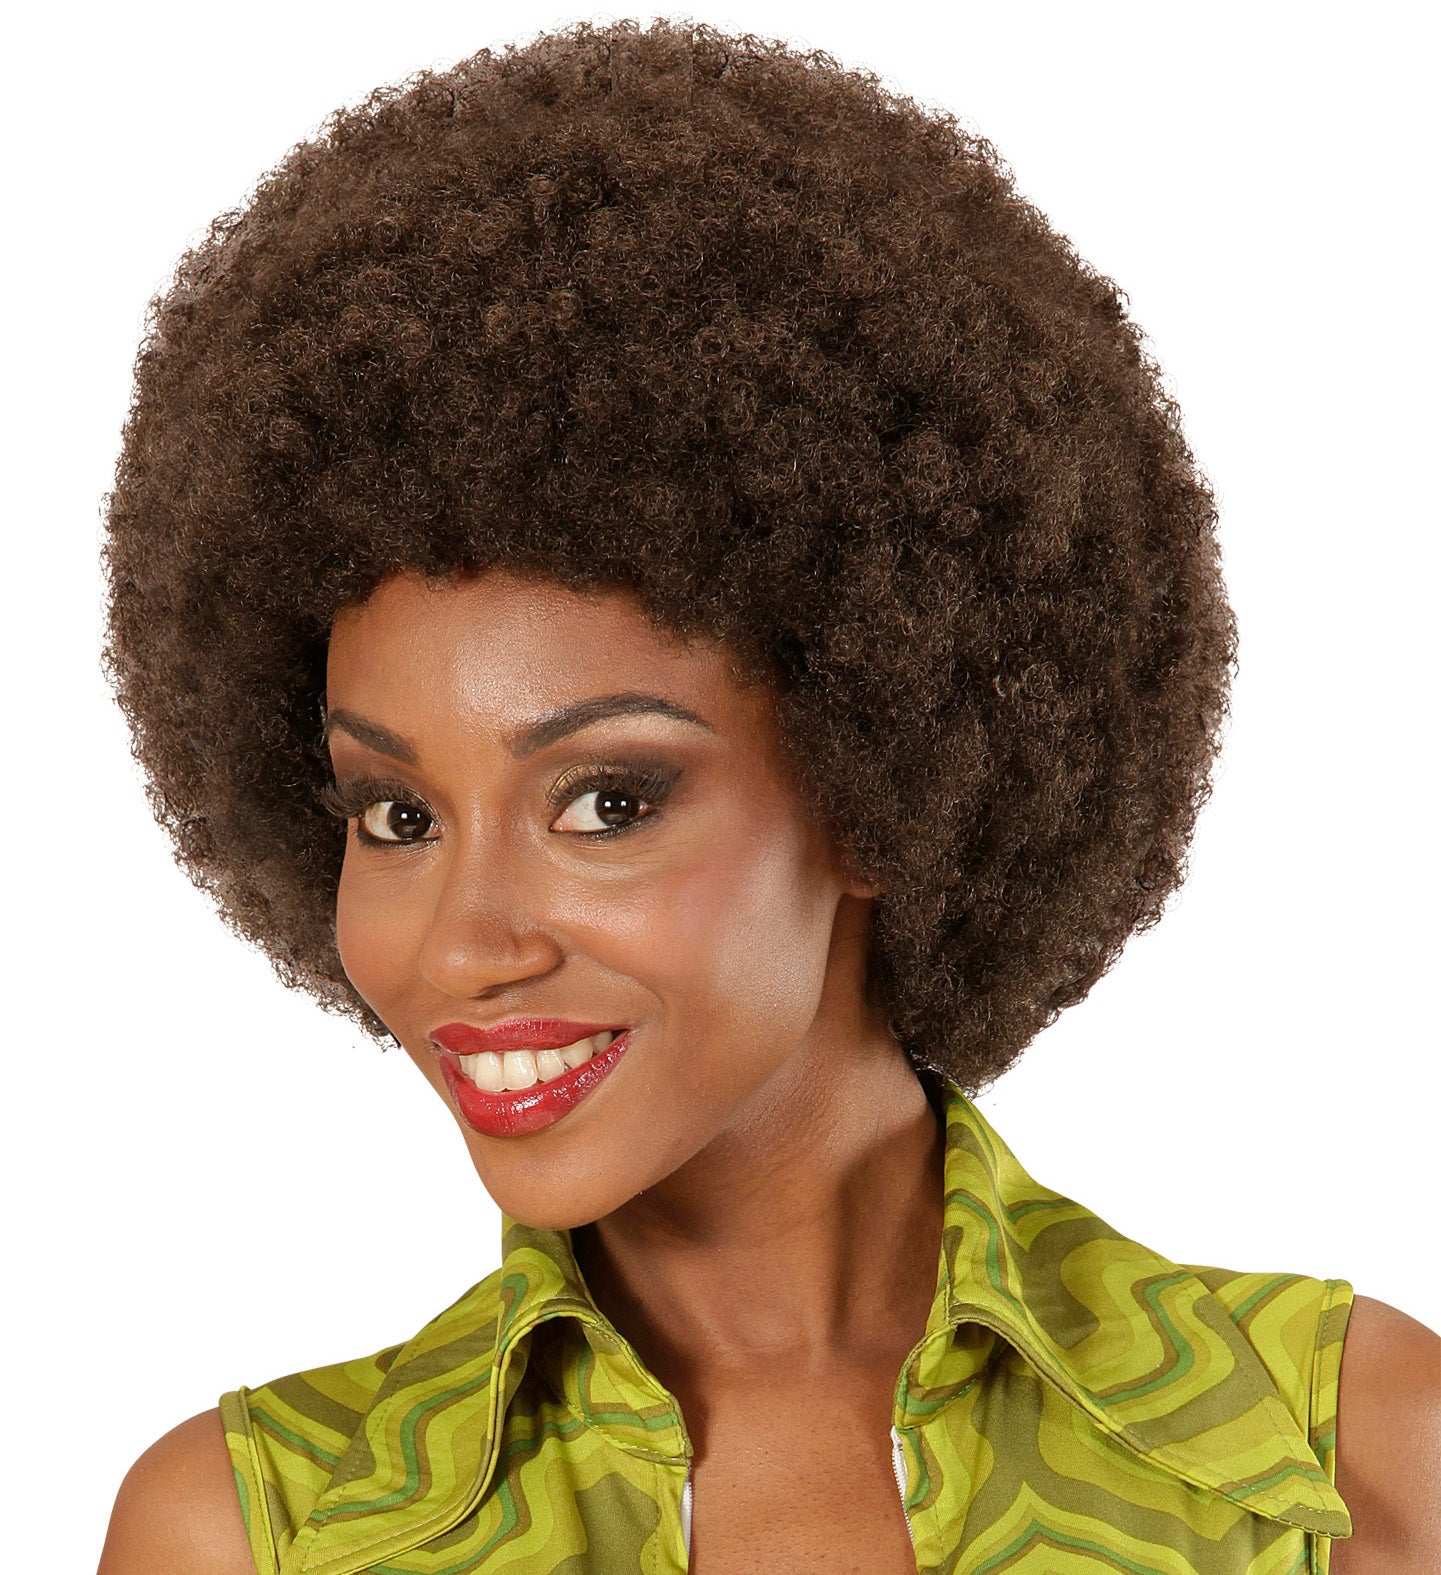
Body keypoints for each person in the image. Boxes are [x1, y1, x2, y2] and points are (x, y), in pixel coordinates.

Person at [96, 18, 1439, 1574]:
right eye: (397, 817)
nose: (462, 945)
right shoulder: (259, 1532)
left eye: (603, 802)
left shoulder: (1340, 1455)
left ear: (885, 781)